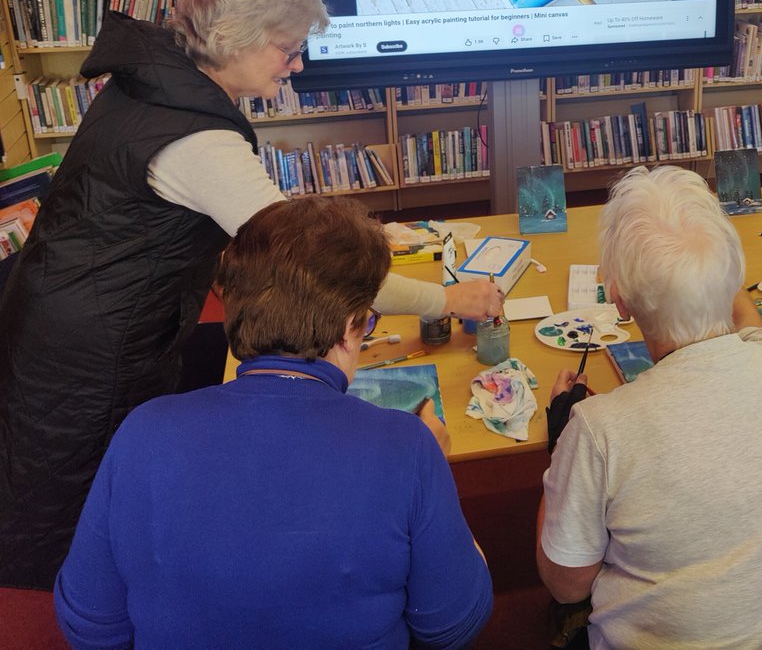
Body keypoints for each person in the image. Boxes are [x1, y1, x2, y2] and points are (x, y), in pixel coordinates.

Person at [0, 0, 503, 589]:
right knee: (93, 514)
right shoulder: (198, 139)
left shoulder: (162, 79)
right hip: (94, 350)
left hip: (83, 309)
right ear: (234, 38)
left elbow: (221, 223)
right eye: (287, 49)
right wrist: (449, 301)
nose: (297, 66)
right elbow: (310, 262)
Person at [54, 198, 492, 647]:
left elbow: (90, 626)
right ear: (348, 327)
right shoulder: (409, 447)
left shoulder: (142, 432)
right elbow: (451, 625)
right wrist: (437, 476)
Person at [537, 165, 762, 649]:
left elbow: (566, 584)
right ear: (730, 275)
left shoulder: (598, 428)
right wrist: (711, 270)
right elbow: (750, 324)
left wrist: (558, 449)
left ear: (618, 300)